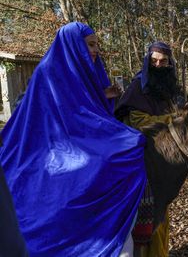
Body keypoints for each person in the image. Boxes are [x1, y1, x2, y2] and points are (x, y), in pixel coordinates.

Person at [0, 22, 146, 256]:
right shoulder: (48, 71)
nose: (96, 49)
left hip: (82, 136)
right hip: (51, 145)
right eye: (90, 44)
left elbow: (90, 108)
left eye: (97, 44)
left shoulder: (88, 69)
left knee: (129, 146)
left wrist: (105, 96)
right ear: (73, 45)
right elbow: (64, 114)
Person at [115, 41, 184, 257]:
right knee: (145, 220)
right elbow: (140, 123)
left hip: (167, 160)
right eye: (154, 60)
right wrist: (174, 119)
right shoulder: (138, 86)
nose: (158, 64)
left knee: (162, 212)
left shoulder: (171, 87)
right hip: (143, 161)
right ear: (147, 60)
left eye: (163, 61)